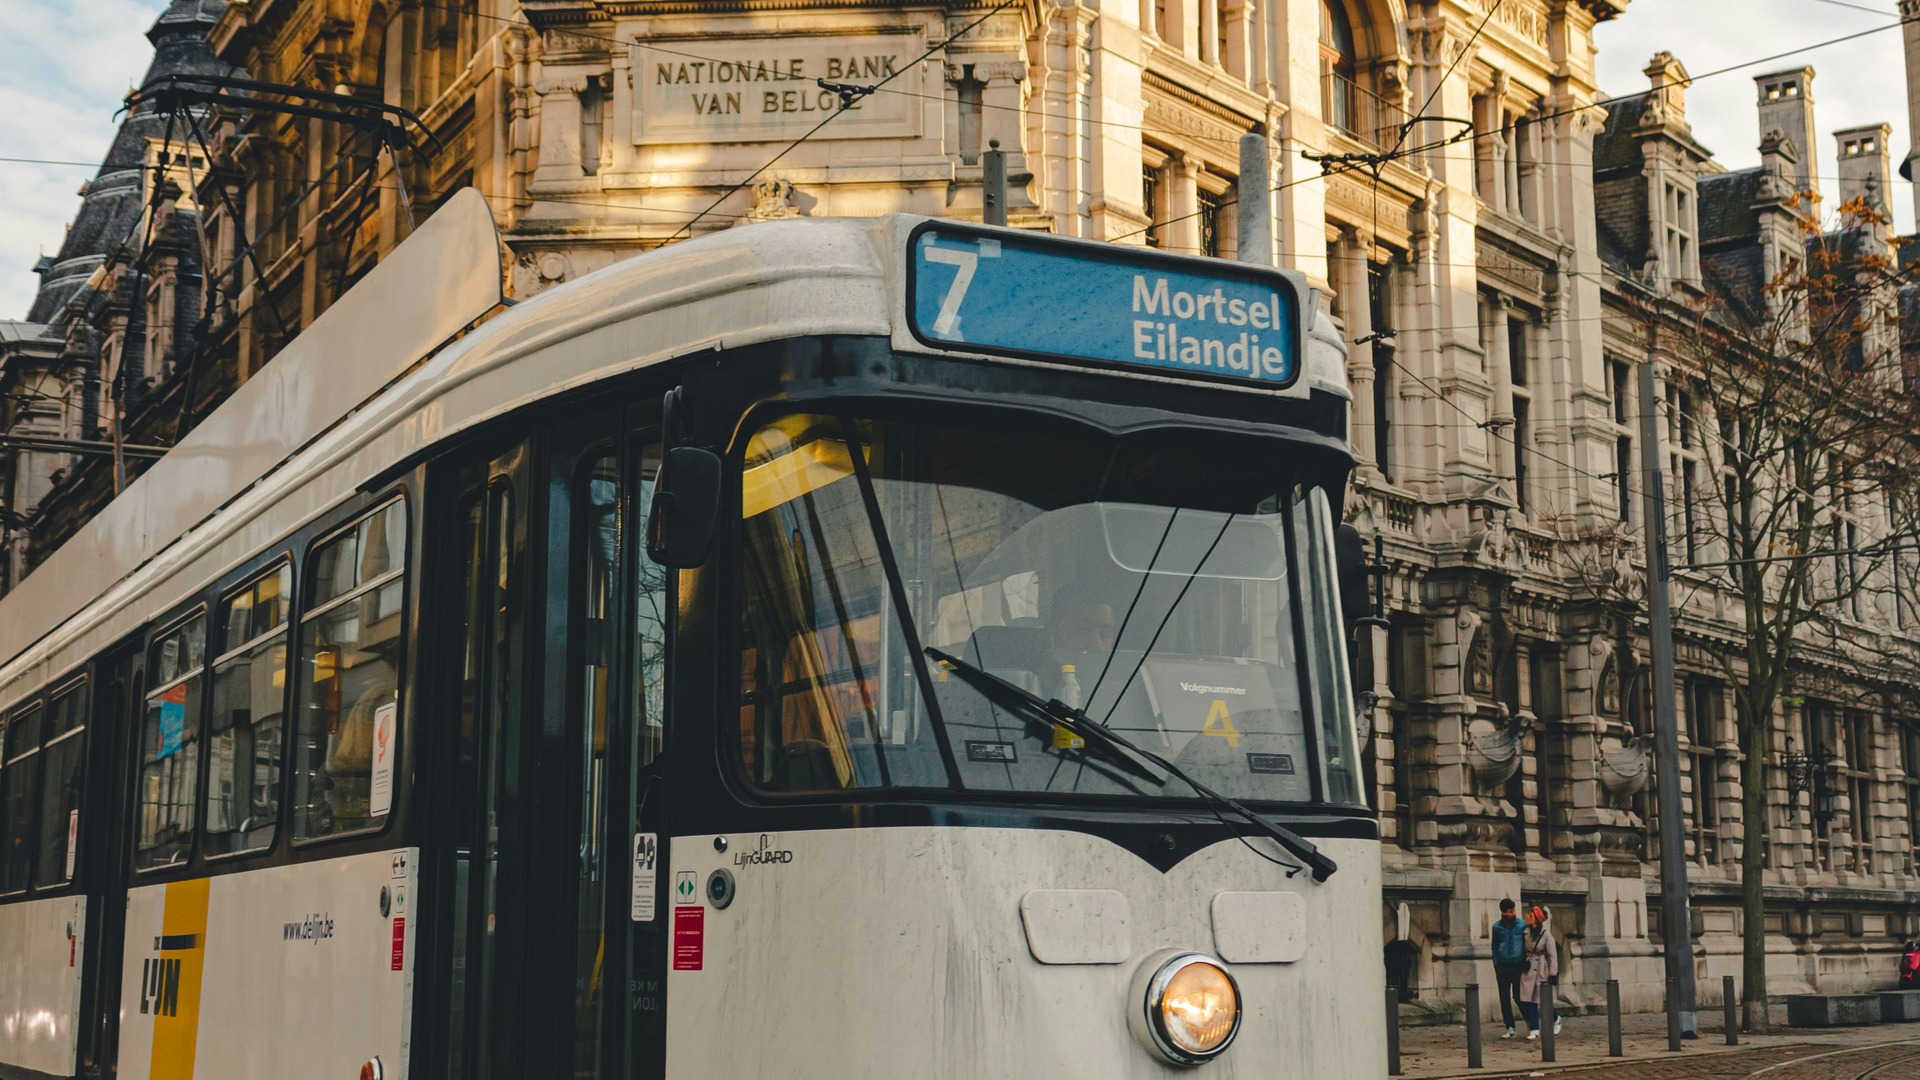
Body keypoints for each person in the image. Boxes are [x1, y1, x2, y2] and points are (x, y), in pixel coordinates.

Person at [1517, 904, 1561, 1042]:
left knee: (1543, 999)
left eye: (1530, 916)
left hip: (1542, 968)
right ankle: (1535, 1029)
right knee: (1528, 1000)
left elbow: (1553, 955)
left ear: (1537, 919)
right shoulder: (1525, 932)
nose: (1527, 917)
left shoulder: (1547, 935)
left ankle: (1556, 1018)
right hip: (1529, 967)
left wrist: (1553, 973)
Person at [1490, 899, 1529, 1038]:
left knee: (1519, 996)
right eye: (1510, 911)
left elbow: (1527, 944)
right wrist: (1496, 963)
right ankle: (1510, 1027)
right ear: (1503, 912)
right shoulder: (1496, 927)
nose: (1513, 913)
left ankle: (1530, 1022)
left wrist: (1526, 960)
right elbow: (1494, 946)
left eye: (1514, 910)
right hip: (1502, 965)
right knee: (1504, 997)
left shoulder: (1522, 925)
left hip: (1518, 965)